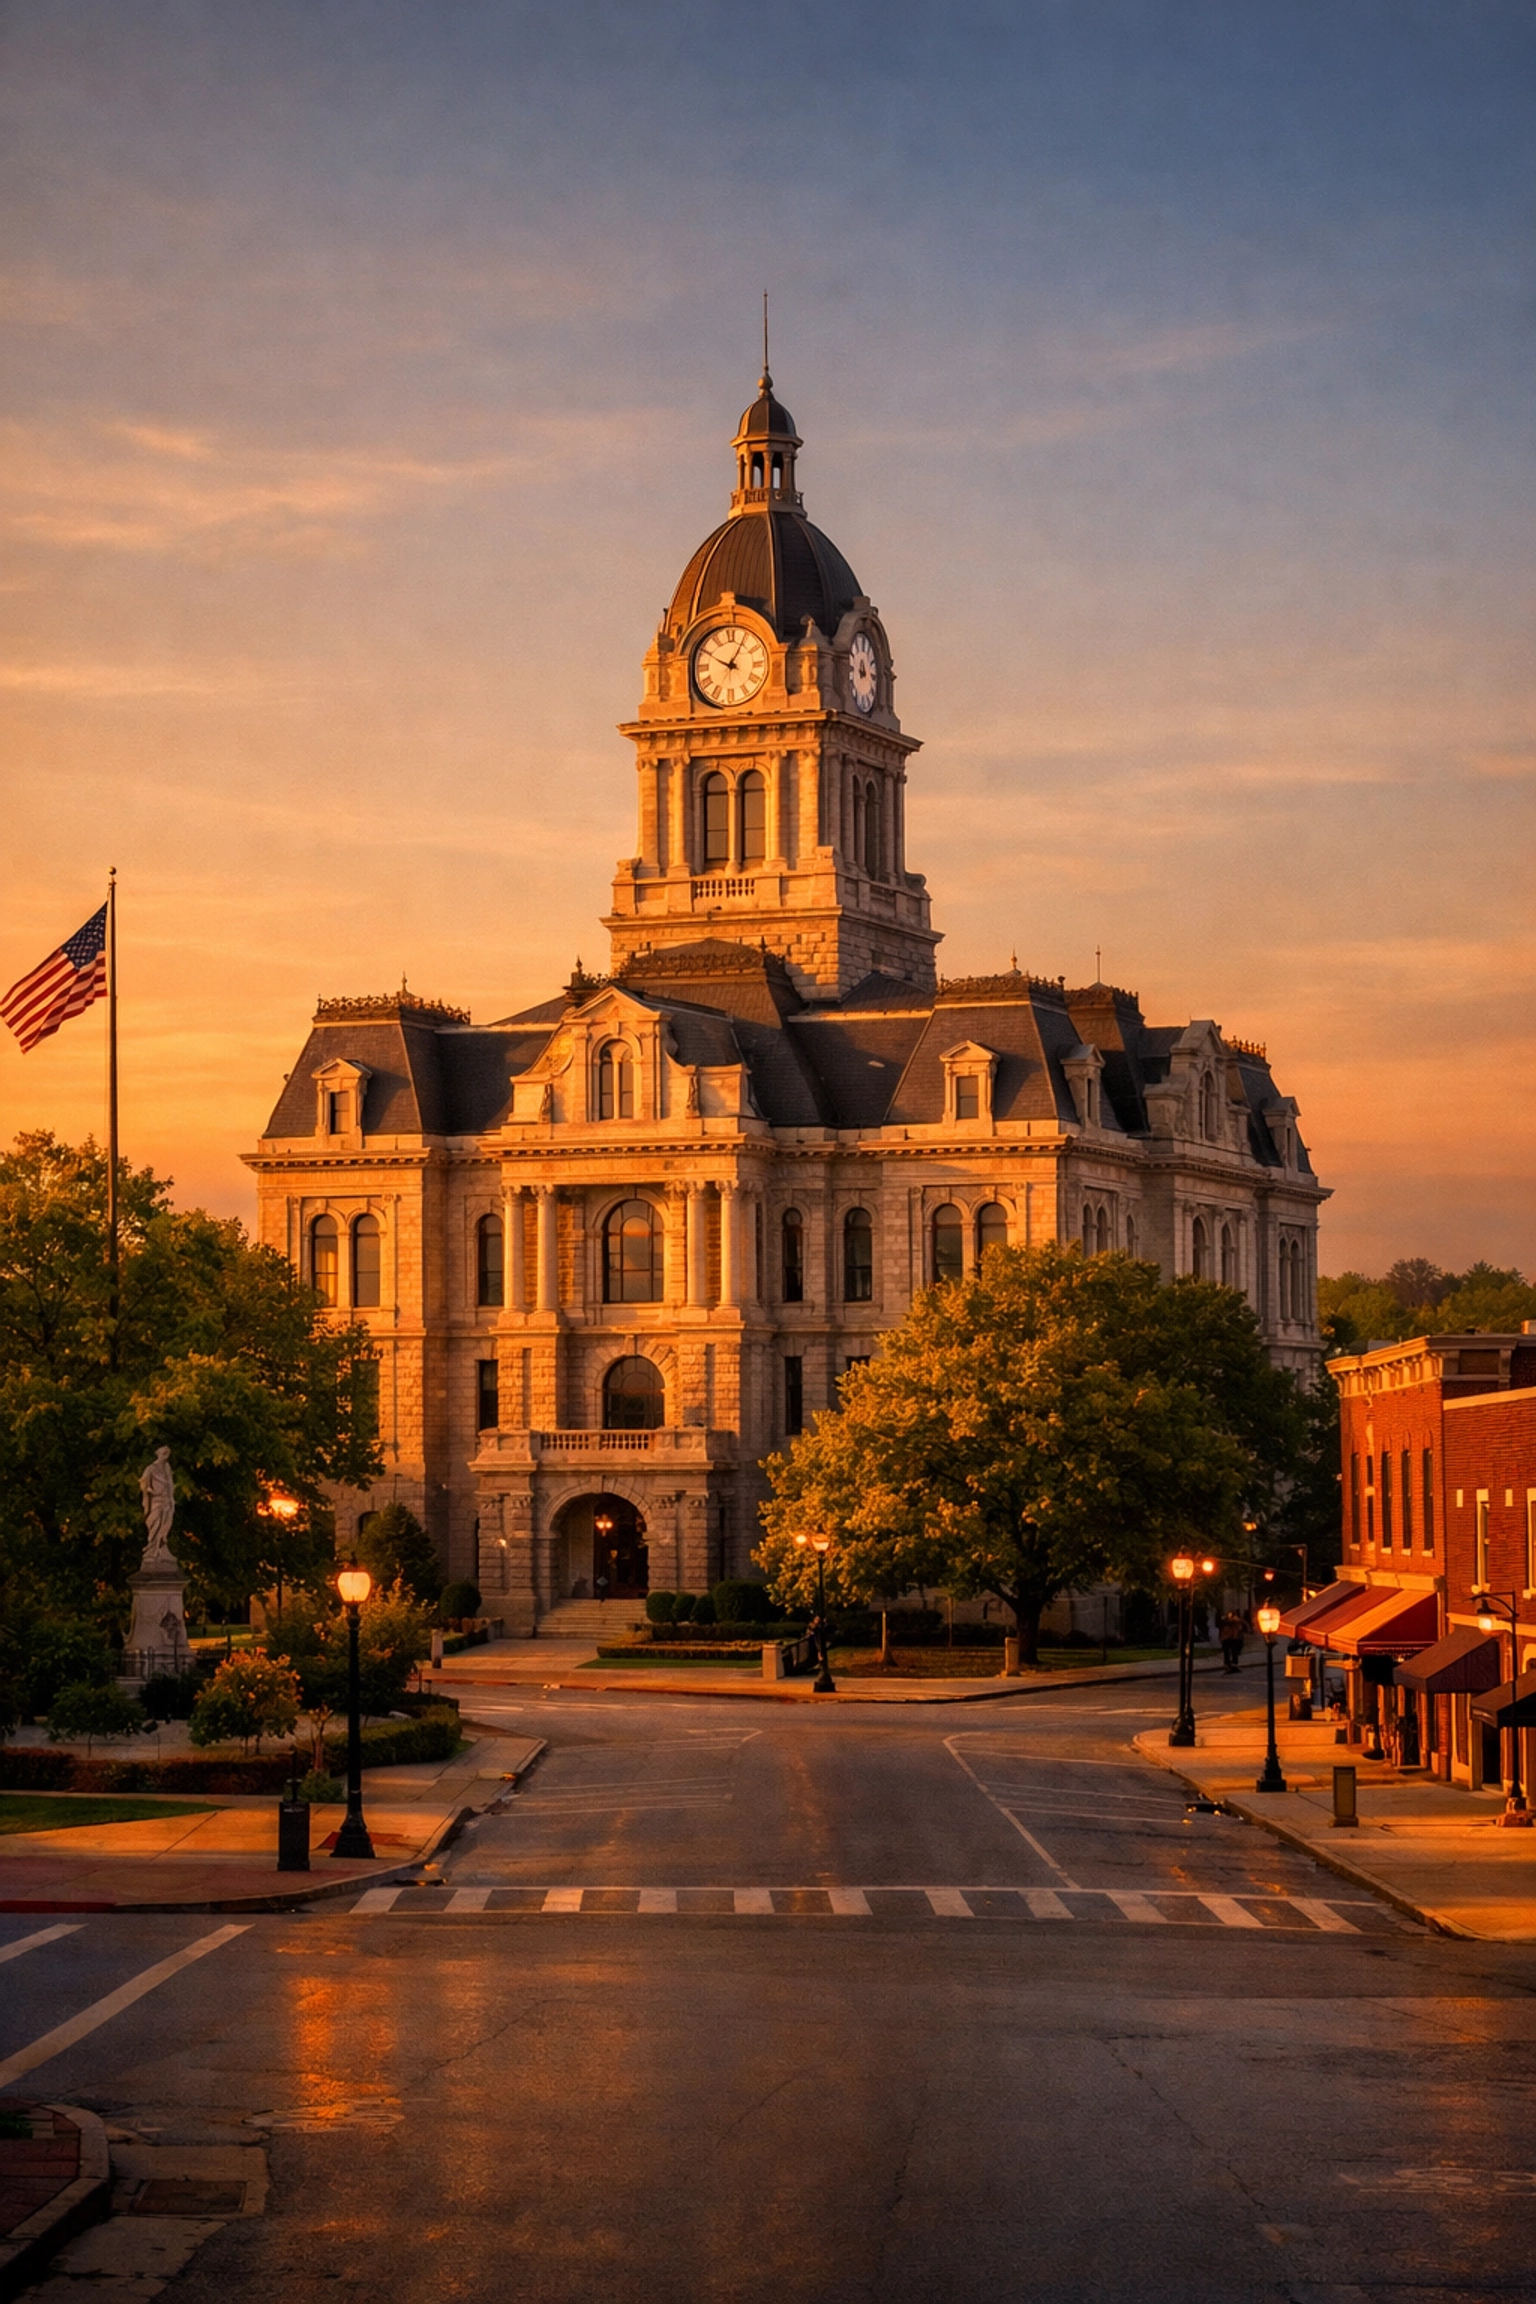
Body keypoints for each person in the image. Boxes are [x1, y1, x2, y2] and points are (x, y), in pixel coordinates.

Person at [1218, 1608, 1246, 1674]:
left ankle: (1230, 1665)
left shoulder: (1226, 1621)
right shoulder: (1236, 1621)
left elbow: (1240, 1629)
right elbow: (1241, 1628)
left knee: (1230, 1652)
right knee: (1232, 1651)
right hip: (1231, 1638)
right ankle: (1232, 1664)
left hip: (1229, 1638)